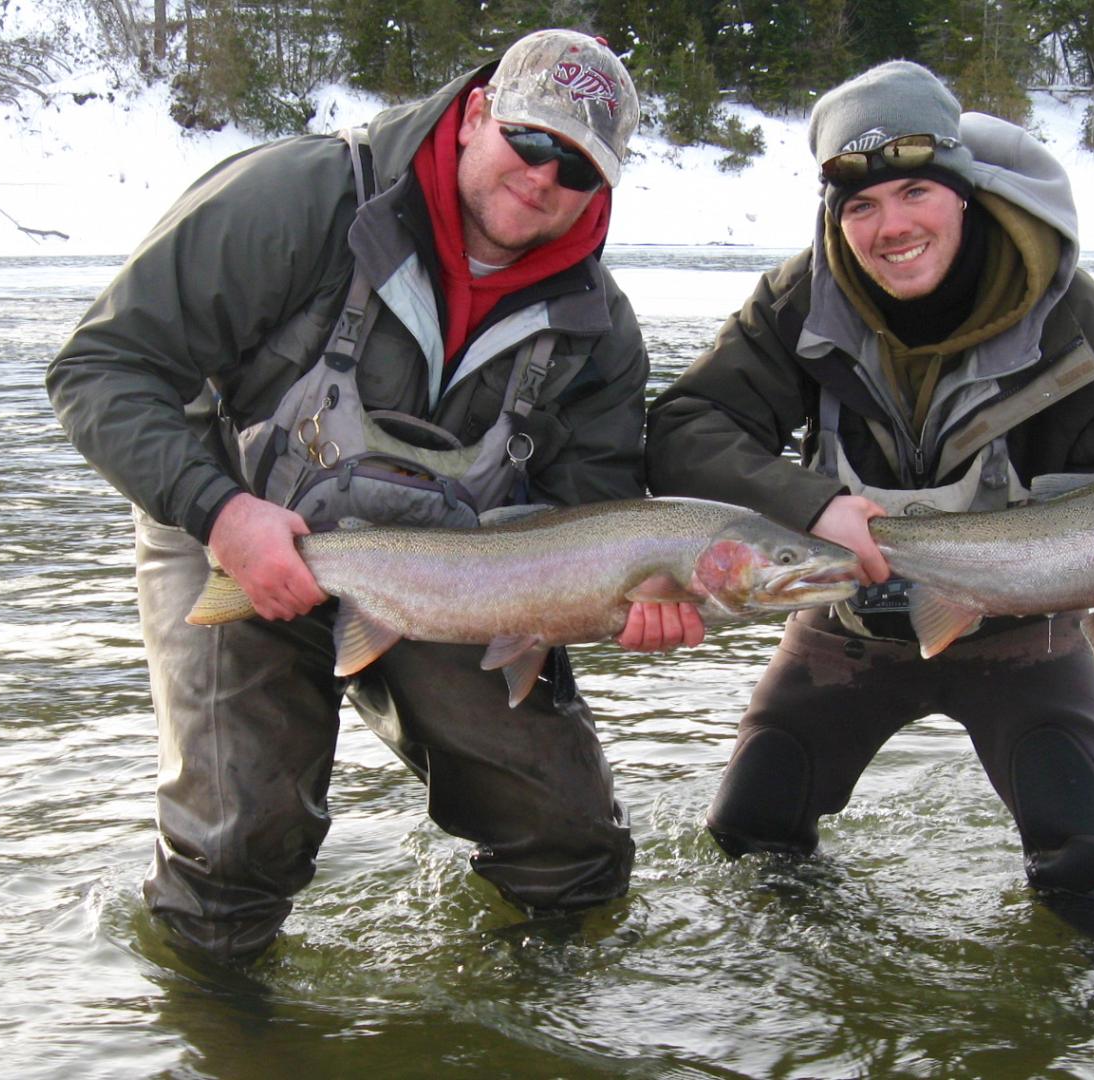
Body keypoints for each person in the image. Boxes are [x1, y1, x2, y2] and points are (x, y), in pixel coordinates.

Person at [49, 28, 698, 965]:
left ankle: (532, 1029)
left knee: (574, 845)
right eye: (531, 140)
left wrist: (621, 601)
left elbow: (588, 511)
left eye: (580, 169)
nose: (545, 178)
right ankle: (226, 1033)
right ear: (477, 113)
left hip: (461, 577)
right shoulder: (299, 199)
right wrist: (221, 513)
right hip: (235, 525)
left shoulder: (597, 327)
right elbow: (101, 369)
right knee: (239, 848)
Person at [645, 60, 1094, 915]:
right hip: (847, 622)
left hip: (1023, 631)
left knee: (1089, 868)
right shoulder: (800, 301)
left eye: (913, 194)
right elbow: (685, 430)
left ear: (962, 192)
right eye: (860, 206)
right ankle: (803, 1003)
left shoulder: (1072, 315)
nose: (889, 227)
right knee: (750, 834)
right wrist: (811, 506)